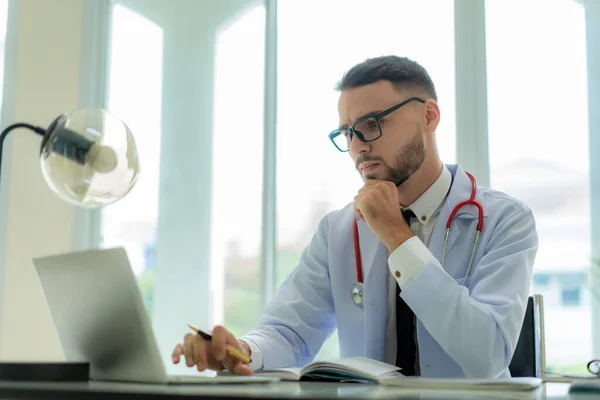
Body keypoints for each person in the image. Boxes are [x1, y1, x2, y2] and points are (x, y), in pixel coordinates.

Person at [171, 56, 538, 378]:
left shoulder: (506, 221)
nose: (359, 144)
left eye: (372, 123)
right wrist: (244, 351)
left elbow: (487, 355)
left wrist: (397, 236)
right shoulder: (337, 230)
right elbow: (289, 332)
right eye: (347, 132)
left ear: (428, 116)